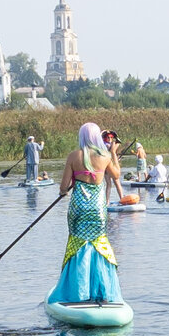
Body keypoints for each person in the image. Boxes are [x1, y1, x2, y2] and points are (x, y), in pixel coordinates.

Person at [48, 123, 125, 305]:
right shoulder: (104, 157)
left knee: (78, 244)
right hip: (98, 209)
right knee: (99, 243)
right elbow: (117, 175)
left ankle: (78, 292)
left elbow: (63, 187)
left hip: (78, 209)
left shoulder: (74, 156)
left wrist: (66, 189)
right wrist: (113, 152)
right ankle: (101, 292)